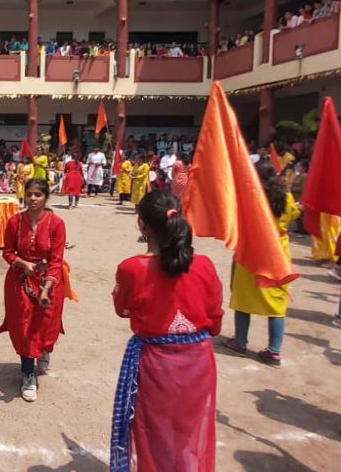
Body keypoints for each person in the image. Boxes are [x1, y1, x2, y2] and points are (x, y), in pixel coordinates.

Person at [110, 190, 223, 471]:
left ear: (142, 225)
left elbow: (122, 310)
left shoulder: (131, 268)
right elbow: (215, 319)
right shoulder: (205, 265)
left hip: (155, 365)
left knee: (153, 433)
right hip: (199, 362)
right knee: (188, 432)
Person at [0, 178, 67, 402]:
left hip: (49, 281)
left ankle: (44, 351)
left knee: (46, 322)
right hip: (20, 281)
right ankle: (28, 374)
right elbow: (7, 252)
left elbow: (56, 260)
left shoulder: (57, 223)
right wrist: (22, 263)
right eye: (29, 194)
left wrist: (46, 288)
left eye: (38, 195)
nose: (33, 199)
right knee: (24, 327)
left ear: (46, 197)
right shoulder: (14, 222)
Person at [220, 163, 299, 367]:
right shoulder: (286, 196)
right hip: (277, 253)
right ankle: (274, 350)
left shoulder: (251, 198)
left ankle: (240, 342)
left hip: (252, 251)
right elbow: (294, 213)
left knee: (243, 298)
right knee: (276, 304)